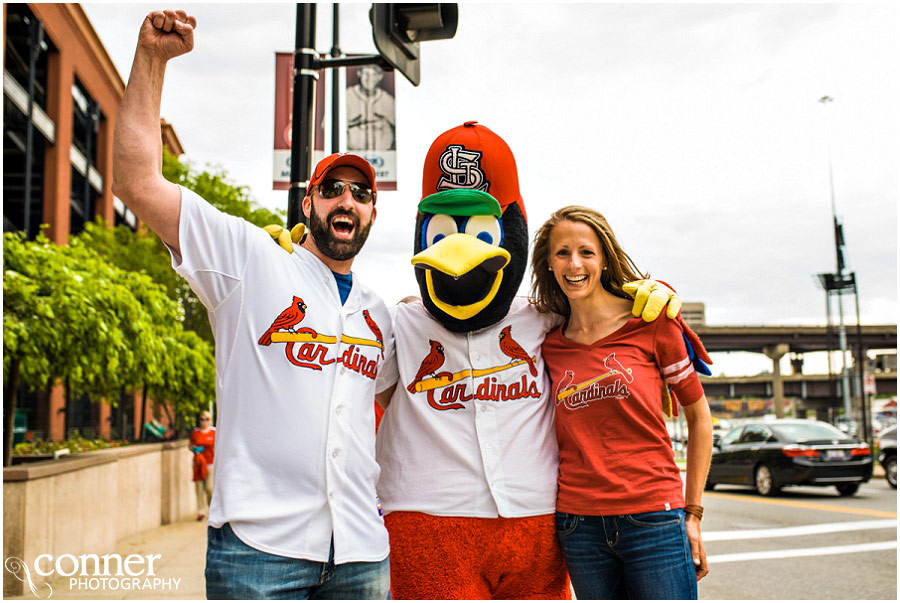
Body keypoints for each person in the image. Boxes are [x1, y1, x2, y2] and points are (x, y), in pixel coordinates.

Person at [112, 10, 391, 599]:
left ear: (372, 212)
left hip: (363, 553)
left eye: (361, 193)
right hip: (259, 555)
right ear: (308, 201)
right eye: (333, 188)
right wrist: (152, 61)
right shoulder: (250, 261)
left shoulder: (380, 314)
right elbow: (137, 180)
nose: (348, 200)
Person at [370, 122, 682, 599]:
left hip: (534, 527)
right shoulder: (402, 324)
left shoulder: (544, 318)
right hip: (428, 519)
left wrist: (650, 292)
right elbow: (338, 358)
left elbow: (602, 315)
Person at [530, 205, 714, 600]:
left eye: (586, 252)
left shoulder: (653, 324)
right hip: (579, 527)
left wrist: (693, 514)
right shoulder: (548, 342)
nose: (574, 263)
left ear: (604, 259)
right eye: (562, 253)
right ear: (548, 263)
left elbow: (699, 418)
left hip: (654, 518)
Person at [346, 64, 396, 151]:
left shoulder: (387, 100)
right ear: (359, 74)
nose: (369, 78)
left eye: (374, 74)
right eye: (366, 73)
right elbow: (327, 126)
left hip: (384, 157)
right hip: (352, 155)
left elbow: (401, 130)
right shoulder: (346, 96)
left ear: (380, 77)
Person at [189, 411, 215, 521]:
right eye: (202, 419)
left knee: (209, 488)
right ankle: (201, 512)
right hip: (198, 464)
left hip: (210, 464)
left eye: (207, 419)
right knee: (199, 488)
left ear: (210, 420)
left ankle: (212, 509)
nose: (204, 421)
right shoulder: (196, 433)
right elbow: (190, 445)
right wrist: (195, 450)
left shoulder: (214, 432)